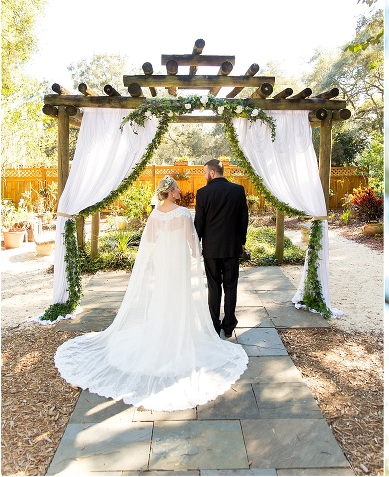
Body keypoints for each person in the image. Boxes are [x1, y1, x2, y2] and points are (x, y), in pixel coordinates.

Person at [54, 176, 247, 411]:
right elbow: (191, 241)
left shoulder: (155, 214)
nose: (179, 190)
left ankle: (162, 331)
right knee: (179, 296)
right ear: (172, 191)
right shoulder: (184, 214)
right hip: (178, 262)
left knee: (162, 296)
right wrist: (198, 254)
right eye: (177, 188)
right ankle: (177, 334)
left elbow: (151, 241)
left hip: (163, 262)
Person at [194, 159, 249, 338]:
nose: (204, 176)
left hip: (211, 249)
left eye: (204, 173)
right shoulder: (238, 190)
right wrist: (240, 241)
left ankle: (214, 324)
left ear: (211, 173)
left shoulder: (202, 193)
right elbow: (243, 219)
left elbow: (199, 223)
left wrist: (197, 242)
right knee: (231, 286)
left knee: (214, 286)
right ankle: (228, 325)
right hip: (232, 248)